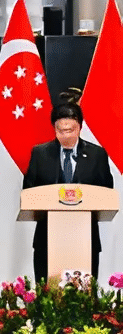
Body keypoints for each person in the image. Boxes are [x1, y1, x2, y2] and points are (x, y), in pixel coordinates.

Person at [23, 102, 113, 283]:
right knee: (48, 294)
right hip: (47, 238)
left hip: (85, 237)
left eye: (70, 130)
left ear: (80, 127)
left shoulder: (97, 155)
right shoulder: (40, 154)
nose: (66, 135)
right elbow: (28, 191)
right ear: (54, 128)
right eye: (60, 130)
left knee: (83, 296)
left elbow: (107, 192)